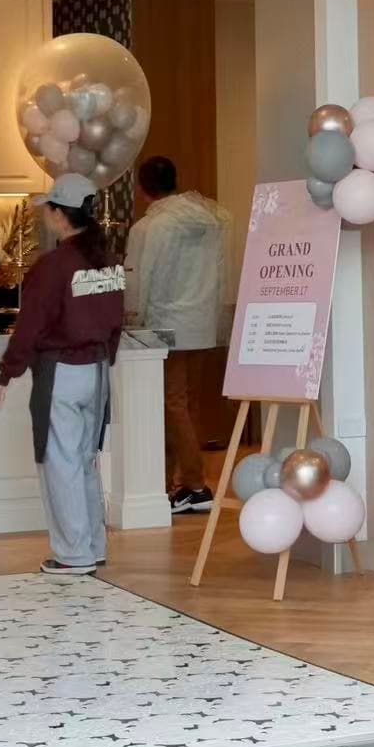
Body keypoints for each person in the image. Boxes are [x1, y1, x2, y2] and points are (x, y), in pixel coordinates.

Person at [0, 173, 126, 576]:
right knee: (85, 461)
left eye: (48, 209)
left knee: (61, 461)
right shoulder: (110, 261)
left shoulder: (53, 267)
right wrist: (106, 358)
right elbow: (116, 321)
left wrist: (6, 374)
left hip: (63, 373)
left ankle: (73, 554)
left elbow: (30, 327)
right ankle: (92, 545)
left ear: (59, 215)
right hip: (99, 369)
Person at [124, 156, 231, 514]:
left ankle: (195, 485)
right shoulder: (210, 220)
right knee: (184, 405)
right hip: (200, 323)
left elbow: (139, 279)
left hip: (165, 324)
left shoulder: (150, 228)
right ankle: (173, 484)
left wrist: (131, 318)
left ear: (142, 189)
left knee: (171, 405)